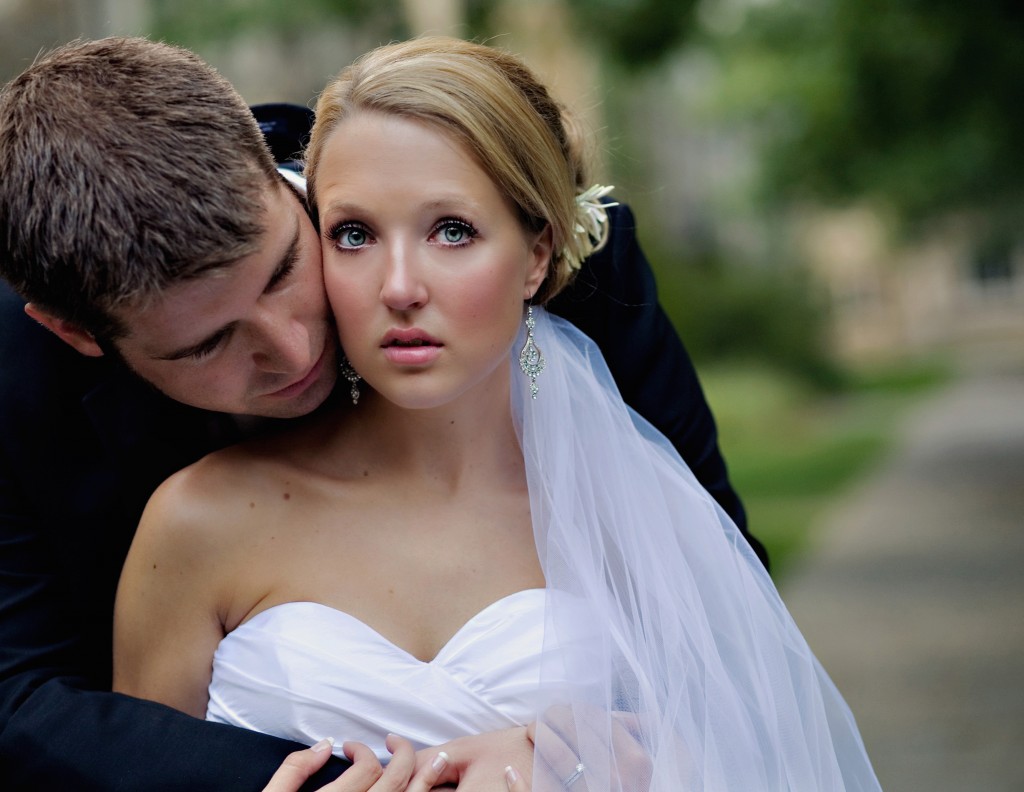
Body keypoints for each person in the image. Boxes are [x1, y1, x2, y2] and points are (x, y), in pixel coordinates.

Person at [113, 37, 880, 791]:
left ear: (538, 255)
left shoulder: (637, 514)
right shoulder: (197, 525)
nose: (400, 285)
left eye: (453, 231)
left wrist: (571, 760)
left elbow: (747, 757)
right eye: (354, 235)